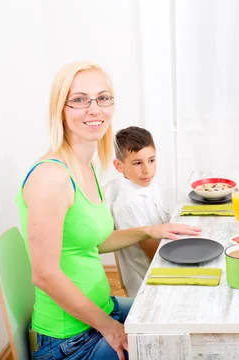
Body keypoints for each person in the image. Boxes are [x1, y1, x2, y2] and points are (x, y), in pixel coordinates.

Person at [18, 61, 201, 360]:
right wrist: (110, 327)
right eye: (79, 100)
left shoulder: (87, 167)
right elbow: (44, 274)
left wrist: (151, 230)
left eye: (103, 98)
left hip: (104, 309)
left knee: (188, 314)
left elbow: (94, 241)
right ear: (60, 108)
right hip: (69, 342)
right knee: (178, 347)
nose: (94, 109)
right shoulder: (51, 177)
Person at [109, 126, 170, 296]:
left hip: (165, 254)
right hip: (153, 278)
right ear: (119, 166)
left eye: (151, 160)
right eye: (137, 163)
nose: (147, 170)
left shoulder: (151, 187)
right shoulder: (130, 204)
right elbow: (154, 255)